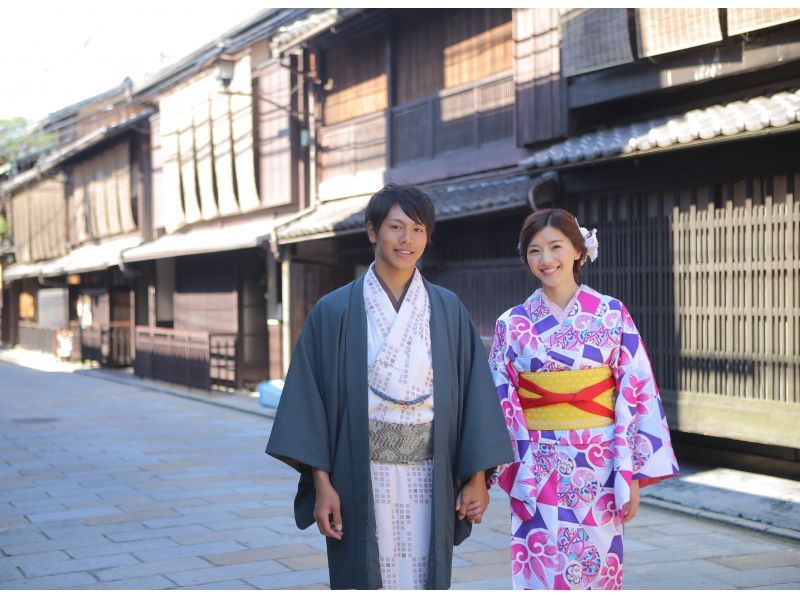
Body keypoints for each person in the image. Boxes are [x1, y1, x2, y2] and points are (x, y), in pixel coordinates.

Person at [266, 183, 514, 590]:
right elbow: (310, 404)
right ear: (371, 231)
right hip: (358, 474)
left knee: (422, 574)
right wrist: (322, 485)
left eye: (418, 229)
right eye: (395, 227)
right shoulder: (333, 311)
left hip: (430, 474)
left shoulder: (448, 309)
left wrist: (475, 478)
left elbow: (475, 399)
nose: (407, 240)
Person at [489, 207, 679, 590]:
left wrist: (632, 474)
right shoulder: (512, 323)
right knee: (539, 567)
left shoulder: (611, 314)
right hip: (535, 462)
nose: (546, 260)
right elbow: (499, 401)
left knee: (598, 566)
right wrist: (498, 467)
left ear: (578, 250)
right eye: (534, 251)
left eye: (556, 247)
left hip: (600, 464)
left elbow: (636, 390)